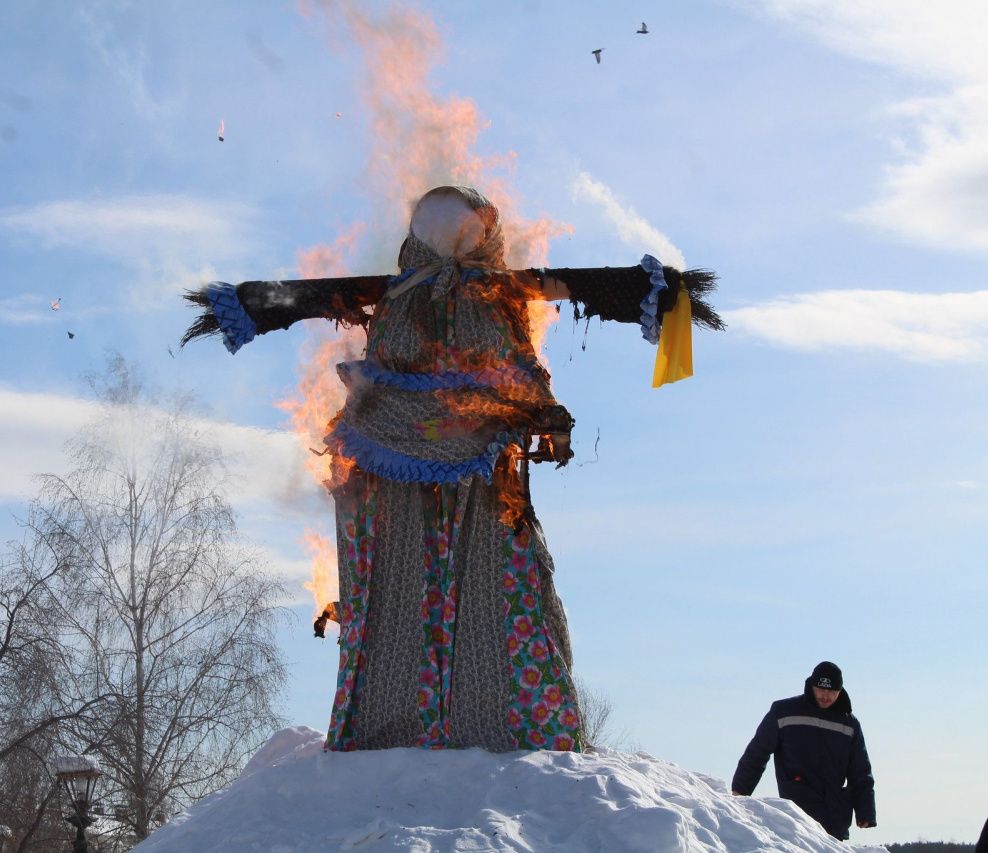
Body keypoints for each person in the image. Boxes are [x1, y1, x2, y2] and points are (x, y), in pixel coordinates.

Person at [182, 185, 720, 752]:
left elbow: (493, 370)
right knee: (466, 588)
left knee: (435, 588)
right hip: (438, 469)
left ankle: (423, 721)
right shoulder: (463, 299)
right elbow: (514, 370)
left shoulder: (409, 299)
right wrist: (545, 412)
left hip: (414, 466)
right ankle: (466, 724)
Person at [732, 661, 877, 840]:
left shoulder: (849, 724)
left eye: (832, 691)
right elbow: (757, 753)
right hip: (796, 816)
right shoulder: (784, 712)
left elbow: (860, 771)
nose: (825, 696)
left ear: (840, 691)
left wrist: (865, 811)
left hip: (834, 818)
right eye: (821, 689)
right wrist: (740, 791)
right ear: (811, 685)